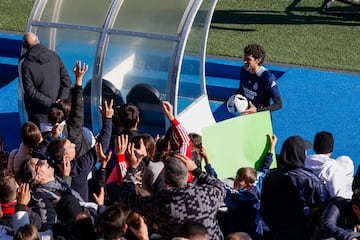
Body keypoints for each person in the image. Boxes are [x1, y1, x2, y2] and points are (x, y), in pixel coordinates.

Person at [118, 138, 226, 240]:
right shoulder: (207, 195)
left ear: (165, 177)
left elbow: (127, 197)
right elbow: (221, 186)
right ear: (187, 173)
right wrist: (196, 170)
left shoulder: (159, 204)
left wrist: (132, 168)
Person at [260, 135, 330, 240]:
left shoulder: (270, 177)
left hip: (277, 233)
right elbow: (324, 207)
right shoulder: (312, 180)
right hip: (305, 233)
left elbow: (264, 209)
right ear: (300, 154)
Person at [20, 32, 72, 127]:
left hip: (38, 113)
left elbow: (30, 91)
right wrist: (60, 102)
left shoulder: (25, 64)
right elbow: (66, 81)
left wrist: (51, 104)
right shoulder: (54, 56)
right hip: (59, 111)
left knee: (42, 139)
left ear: (24, 46)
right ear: (38, 41)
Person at [305, 131, 354, 199]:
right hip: (324, 207)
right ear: (331, 150)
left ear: (315, 147)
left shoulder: (303, 163)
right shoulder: (332, 168)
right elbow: (338, 196)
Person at [236, 43, 282, 115]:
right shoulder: (244, 70)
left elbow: (278, 104)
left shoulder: (267, 77)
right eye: (244, 58)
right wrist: (236, 99)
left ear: (258, 60)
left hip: (260, 118)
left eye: (248, 59)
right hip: (245, 115)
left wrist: (257, 110)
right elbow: (241, 89)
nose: (244, 61)